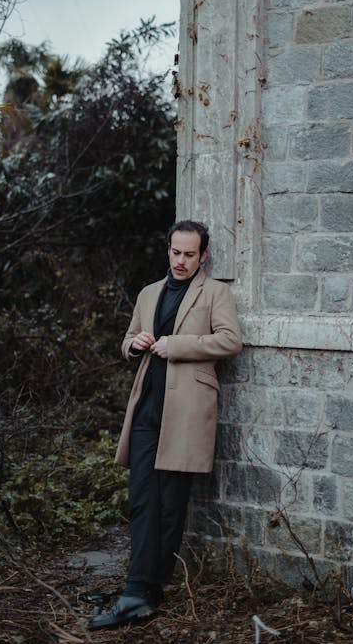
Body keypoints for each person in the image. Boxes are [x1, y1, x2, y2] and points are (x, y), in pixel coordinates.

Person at [88, 220, 242, 630]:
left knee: (171, 508)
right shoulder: (148, 293)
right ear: (168, 250)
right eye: (176, 252)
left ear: (203, 256)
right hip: (147, 412)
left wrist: (178, 346)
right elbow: (127, 339)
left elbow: (231, 341)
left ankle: (152, 589)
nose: (181, 260)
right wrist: (133, 343)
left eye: (190, 254)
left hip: (187, 415)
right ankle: (135, 592)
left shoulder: (216, 293)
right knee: (142, 501)